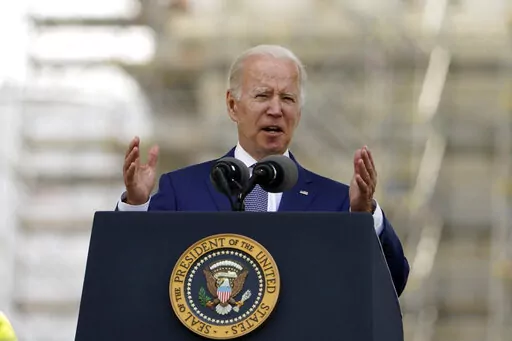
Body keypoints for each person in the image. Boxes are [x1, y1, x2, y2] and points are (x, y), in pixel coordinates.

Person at [116, 44, 409, 296]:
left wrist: (364, 215)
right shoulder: (182, 190)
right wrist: (136, 207)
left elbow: (392, 283)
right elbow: (132, 274)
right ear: (233, 106)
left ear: (299, 112)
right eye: (262, 95)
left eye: (288, 98)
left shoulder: (338, 202)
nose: (276, 109)